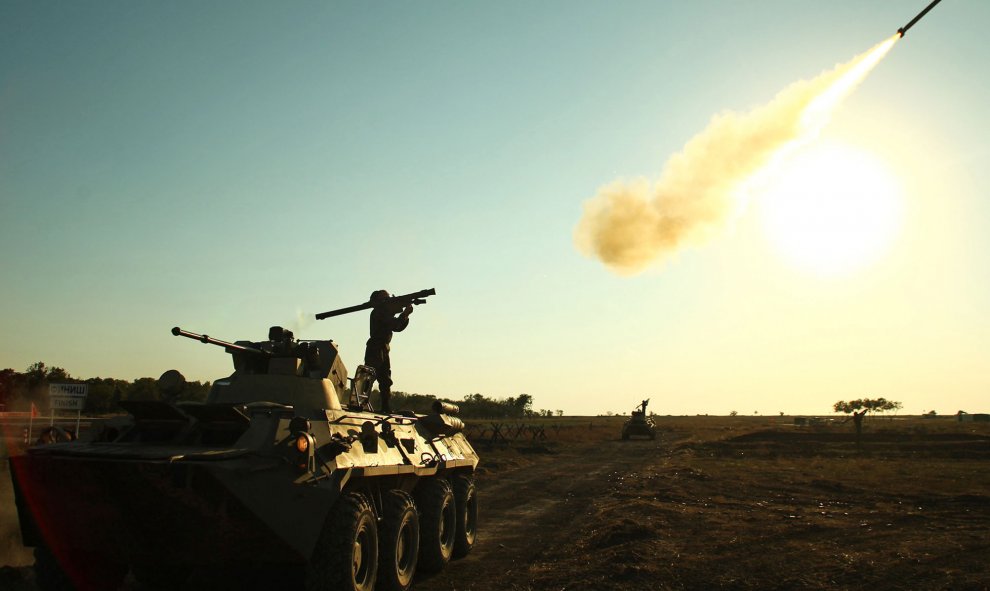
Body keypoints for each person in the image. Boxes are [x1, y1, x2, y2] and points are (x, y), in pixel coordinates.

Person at [364, 290, 413, 414]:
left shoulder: (383, 312)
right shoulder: (379, 312)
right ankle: (360, 402)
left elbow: (398, 327)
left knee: (385, 379)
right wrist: (405, 313)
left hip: (383, 348)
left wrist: (405, 315)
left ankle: (385, 406)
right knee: (369, 377)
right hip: (375, 347)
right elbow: (395, 325)